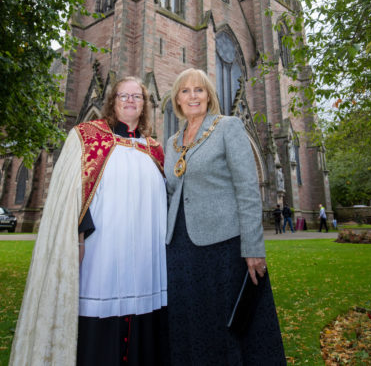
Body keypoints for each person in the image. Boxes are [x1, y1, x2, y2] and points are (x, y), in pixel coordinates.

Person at [10, 77, 169, 366]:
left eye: (138, 96)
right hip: (100, 253)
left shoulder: (154, 150)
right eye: (124, 95)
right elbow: (70, 194)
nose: (131, 100)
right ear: (113, 100)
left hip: (147, 259)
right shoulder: (87, 136)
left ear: (146, 105)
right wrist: (79, 236)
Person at [165, 68, 286, 365]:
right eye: (185, 91)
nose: (193, 96)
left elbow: (247, 190)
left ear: (209, 96)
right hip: (180, 246)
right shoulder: (171, 142)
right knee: (190, 318)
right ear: (177, 100)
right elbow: (170, 192)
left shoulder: (228, 127)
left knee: (226, 322)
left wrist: (254, 248)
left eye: (199, 90)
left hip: (223, 245)